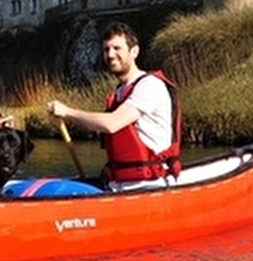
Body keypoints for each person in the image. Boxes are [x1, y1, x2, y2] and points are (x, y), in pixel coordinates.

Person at [46, 22, 181, 190]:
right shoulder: (119, 92)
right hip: (121, 184)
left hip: (150, 184)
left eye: (117, 48)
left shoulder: (149, 85)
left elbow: (112, 124)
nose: (110, 55)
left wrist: (67, 112)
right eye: (106, 49)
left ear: (134, 52)